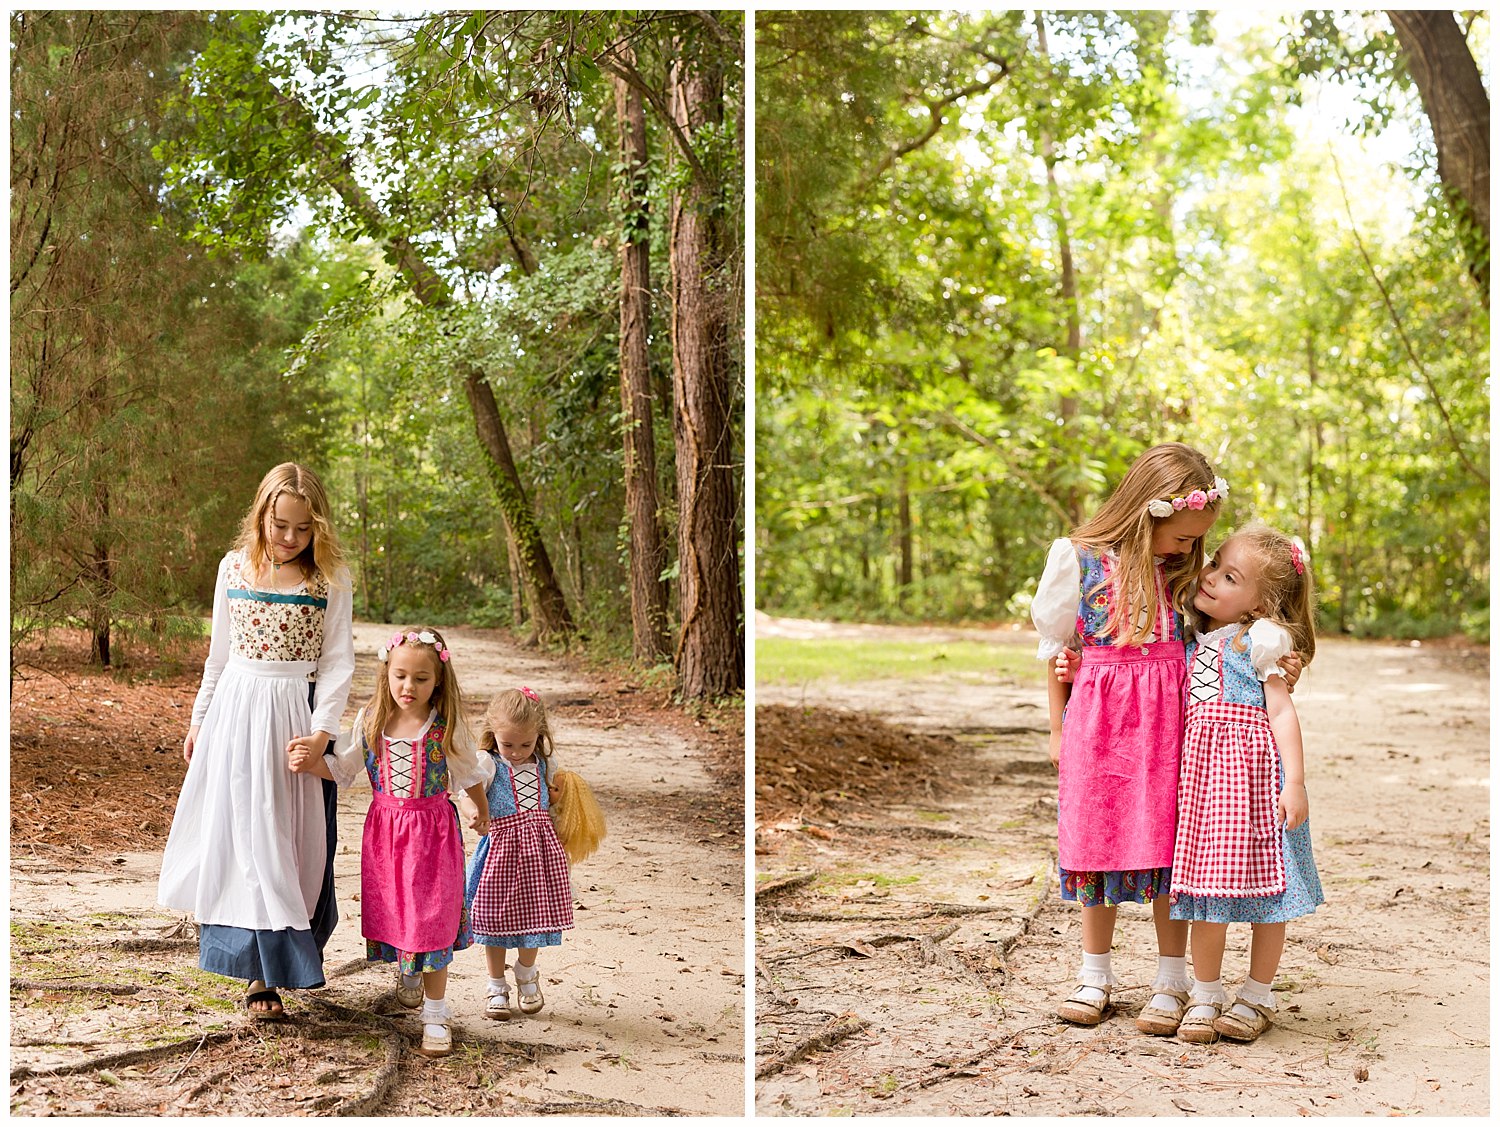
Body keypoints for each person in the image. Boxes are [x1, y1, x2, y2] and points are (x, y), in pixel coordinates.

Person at [1029, 442, 1226, 1031]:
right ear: (1148, 513)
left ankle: (1172, 978)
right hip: (1099, 722)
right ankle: (1095, 974)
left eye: (1197, 540)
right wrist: (1056, 730)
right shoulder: (1079, 559)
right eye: (1185, 537)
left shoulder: (1187, 573)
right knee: (1095, 837)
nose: (1192, 550)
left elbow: (1218, 637)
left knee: (1169, 844)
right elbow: (1057, 649)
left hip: (1172, 725)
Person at [159, 462, 354, 1020]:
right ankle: (254, 974)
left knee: (288, 841)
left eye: (302, 528)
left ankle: (285, 963)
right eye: (280, 525)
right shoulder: (233, 570)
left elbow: (338, 664)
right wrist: (199, 719)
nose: (290, 539)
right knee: (241, 840)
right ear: (261, 516)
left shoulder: (329, 581)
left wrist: (321, 736)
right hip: (235, 717)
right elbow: (219, 658)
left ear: (317, 528)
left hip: (293, 717)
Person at [1168, 524, 1324, 1044]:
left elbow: (1281, 712)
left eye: (1229, 577)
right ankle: (1206, 992)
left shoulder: (1258, 641)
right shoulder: (1188, 637)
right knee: (1206, 893)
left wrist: (1295, 783)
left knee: (1269, 897)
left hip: (1255, 785)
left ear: (1260, 606)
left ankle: (1257, 994)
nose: (1209, 577)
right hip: (1205, 792)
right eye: (1214, 564)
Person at [306, 628, 494, 1058]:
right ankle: (409, 972)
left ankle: (436, 1012)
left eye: (421, 679)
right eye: (401, 676)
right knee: (398, 912)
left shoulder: (445, 727)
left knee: (431, 918)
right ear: (386, 673)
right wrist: (309, 763)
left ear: (439, 680)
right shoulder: (371, 719)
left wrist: (480, 811)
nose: (409, 687)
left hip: (433, 834)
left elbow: (467, 775)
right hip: (386, 835)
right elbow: (345, 770)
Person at [463, 687, 576, 1020]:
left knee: (535, 918)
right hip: (500, 852)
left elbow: (554, 799)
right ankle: (496, 984)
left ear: (538, 736)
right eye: (507, 744)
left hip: (539, 853)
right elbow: (467, 793)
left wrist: (562, 805)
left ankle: (527, 973)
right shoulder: (488, 763)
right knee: (494, 920)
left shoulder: (544, 764)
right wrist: (473, 811)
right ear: (493, 735)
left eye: (524, 744)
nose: (514, 752)